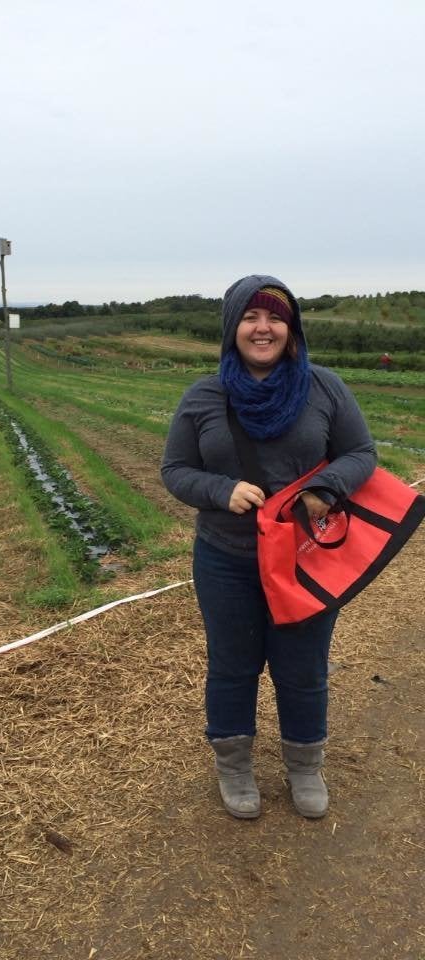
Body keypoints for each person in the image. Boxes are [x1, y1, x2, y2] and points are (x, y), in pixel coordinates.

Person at [161, 275, 376, 820]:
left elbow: (360, 453)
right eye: (251, 318)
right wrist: (220, 489)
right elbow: (175, 470)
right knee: (232, 665)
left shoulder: (324, 387)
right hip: (226, 558)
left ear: (292, 328)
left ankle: (305, 766)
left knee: (303, 667)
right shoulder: (204, 396)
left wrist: (328, 487)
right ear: (233, 328)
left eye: (275, 318)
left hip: (306, 558)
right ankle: (234, 767)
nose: (264, 328)